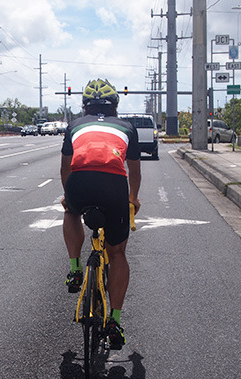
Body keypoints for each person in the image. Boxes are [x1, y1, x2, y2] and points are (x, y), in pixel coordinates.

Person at [60, 78, 141, 350]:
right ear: (115, 105)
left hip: (80, 183)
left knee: (70, 213)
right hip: (113, 186)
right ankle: (114, 321)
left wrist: (68, 198)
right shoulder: (127, 127)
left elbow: (66, 169)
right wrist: (132, 199)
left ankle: (74, 270)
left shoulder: (74, 126)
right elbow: (135, 172)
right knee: (117, 254)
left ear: (84, 106)